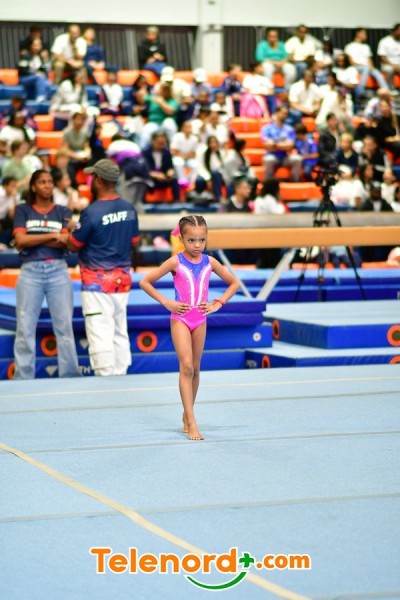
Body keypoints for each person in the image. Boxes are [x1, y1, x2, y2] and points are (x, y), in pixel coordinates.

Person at [139, 214, 240, 440]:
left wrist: (218, 303)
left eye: (202, 240)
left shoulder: (210, 262)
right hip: (181, 318)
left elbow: (234, 283)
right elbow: (145, 282)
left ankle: (187, 413)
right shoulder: (175, 262)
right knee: (186, 366)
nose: (197, 245)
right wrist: (167, 302)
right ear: (182, 239)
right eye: (192, 240)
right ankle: (192, 421)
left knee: (195, 367)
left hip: (200, 318)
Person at [68, 159, 140, 376]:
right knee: (119, 328)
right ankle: (121, 373)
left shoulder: (91, 212)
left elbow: (73, 244)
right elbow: (135, 242)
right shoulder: (129, 209)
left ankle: (105, 377)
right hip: (122, 280)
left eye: (92, 177)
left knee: (100, 330)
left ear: (98, 180)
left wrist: (70, 231)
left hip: (96, 283)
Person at [13, 170, 80, 379]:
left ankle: (70, 376)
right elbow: (21, 241)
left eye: (50, 182)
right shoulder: (23, 210)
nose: (47, 185)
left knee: (64, 327)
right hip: (30, 272)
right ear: (33, 187)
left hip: (58, 270)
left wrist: (33, 238)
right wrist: (53, 235)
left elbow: (67, 241)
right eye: (42, 182)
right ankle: (23, 378)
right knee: (25, 328)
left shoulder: (62, 210)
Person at [261, 105, 302, 181]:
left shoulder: (290, 129)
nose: (284, 115)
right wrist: (283, 145)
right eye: (283, 113)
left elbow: (290, 145)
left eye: (286, 114)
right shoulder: (267, 128)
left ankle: (294, 182)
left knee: (297, 159)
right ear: (276, 113)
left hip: (285, 157)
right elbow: (267, 145)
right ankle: (268, 184)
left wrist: (275, 145)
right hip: (272, 155)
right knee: (269, 160)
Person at [344, 28, 389, 97]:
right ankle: (361, 89)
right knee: (366, 68)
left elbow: (369, 60)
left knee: (376, 72)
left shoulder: (366, 47)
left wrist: (372, 69)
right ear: (358, 34)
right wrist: (365, 66)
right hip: (356, 67)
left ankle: (386, 90)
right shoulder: (349, 46)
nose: (366, 36)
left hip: (366, 67)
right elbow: (351, 62)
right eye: (364, 33)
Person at [142, 131, 180, 201]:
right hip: (151, 178)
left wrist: (170, 172)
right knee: (142, 180)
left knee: (174, 179)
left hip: (164, 177)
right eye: (160, 143)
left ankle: (176, 201)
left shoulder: (166, 152)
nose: (162, 145)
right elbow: (144, 169)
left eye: (163, 143)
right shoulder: (145, 152)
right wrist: (156, 175)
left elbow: (170, 167)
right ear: (153, 141)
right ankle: (143, 202)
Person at [61, 111, 92, 188]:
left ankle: (91, 186)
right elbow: (66, 149)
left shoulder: (85, 132)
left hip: (83, 157)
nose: (80, 122)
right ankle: (74, 187)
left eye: (82, 120)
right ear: (73, 120)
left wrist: (87, 154)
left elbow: (87, 147)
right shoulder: (67, 132)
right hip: (73, 157)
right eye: (78, 119)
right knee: (70, 166)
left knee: (93, 162)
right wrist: (77, 157)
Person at [18, 37, 52, 101]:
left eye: (39, 45)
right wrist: (35, 73)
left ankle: (46, 101)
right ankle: (40, 97)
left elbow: (44, 71)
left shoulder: (40, 57)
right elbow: (22, 70)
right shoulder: (26, 56)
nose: (37, 47)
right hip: (24, 78)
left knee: (48, 83)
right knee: (39, 77)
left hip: (37, 78)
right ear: (30, 46)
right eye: (35, 45)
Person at [195, 135, 227, 200]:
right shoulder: (203, 154)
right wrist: (208, 179)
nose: (213, 145)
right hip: (207, 175)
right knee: (199, 180)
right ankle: (199, 198)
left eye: (215, 142)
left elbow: (222, 169)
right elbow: (201, 168)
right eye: (211, 143)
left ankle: (218, 197)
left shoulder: (221, 154)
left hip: (218, 176)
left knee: (215, 173)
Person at [170, 121, 199, 185]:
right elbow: (173, 151)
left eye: (190, 127)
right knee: (178, 162)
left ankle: (191, 182)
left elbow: (194, 153)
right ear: (182, 128)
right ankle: (182, 181)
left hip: (188, 158)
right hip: (178, 157)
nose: (188, 129)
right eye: (186, 127)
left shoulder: (194, 138)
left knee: (195, 165)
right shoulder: (177, 136)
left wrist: (186, 155)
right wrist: (185, 155)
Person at [377, 24, 400, 90]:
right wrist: (394, 66)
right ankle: (390, 89)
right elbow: (382, 57)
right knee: (390, 70)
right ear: (395, 31)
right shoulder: (385, 41)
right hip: (387, 65)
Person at [0, 176, 18, 246]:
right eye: (12, 186)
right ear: (5, 186)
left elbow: (12, 215)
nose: (14, 188)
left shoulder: (13, 196)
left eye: (15, 186)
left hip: (3, 219)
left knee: (16, 223)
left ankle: (10, 245)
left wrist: (14, 198)